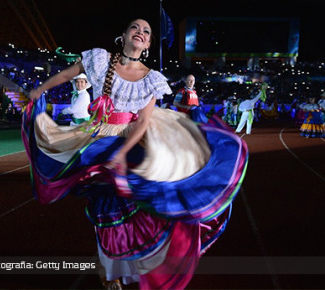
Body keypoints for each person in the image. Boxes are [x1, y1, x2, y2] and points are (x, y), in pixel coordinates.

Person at [24, 19, 248, 290]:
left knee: (138, 205)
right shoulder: (100, 59)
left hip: (133, 141)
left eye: (146, 31)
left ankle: (135, 268)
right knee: (104, 206)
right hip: (100, 135)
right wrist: (40, 90)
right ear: (123, 35)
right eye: (135, 28)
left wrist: (123, 154)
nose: (140, 32)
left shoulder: (152, 78)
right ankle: (110, 271)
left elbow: (142, 123)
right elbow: (66, 75)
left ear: (150, 43)